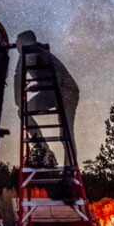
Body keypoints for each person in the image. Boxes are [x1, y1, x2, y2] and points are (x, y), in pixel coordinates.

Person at [14, 30, 79, 166]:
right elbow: (51, 75)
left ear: (24, 41)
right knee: (24, 112)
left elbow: (19, 76)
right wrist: (39, 86)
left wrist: (18, 100)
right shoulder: (40, 52)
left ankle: (67, 168)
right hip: (56, 91)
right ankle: (49, 153)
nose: (16, 45)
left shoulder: (29, 52)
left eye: (17, 41)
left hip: (65, 91)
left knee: (65, 132)